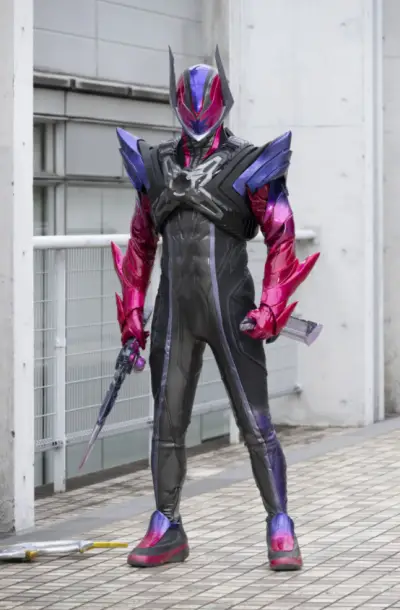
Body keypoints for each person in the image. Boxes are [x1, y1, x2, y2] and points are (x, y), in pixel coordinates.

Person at [111, 47, 319, 571]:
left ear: (223, 101)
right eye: (191, 104)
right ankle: (166, 524)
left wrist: (272, 304)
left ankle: (280, 524)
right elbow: (141, 242)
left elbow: (281, 234)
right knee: (167, 422)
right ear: (177, 102)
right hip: (174, 314)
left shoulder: (250, 164)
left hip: (233, 311)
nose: (199, 115)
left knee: (256, 422)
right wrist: (132, 313)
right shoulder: (155, 165)